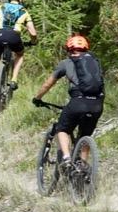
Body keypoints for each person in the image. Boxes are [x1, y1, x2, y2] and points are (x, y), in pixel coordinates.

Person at [32, 34, 104, 169]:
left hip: (78, 102)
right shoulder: (95, 62)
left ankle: (66, 159)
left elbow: (48, 84)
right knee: (86, 134)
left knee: (62, 129)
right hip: (97, 104)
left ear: (69, 49)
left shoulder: (66, 63)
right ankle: (82, 166)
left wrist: (38, 98)